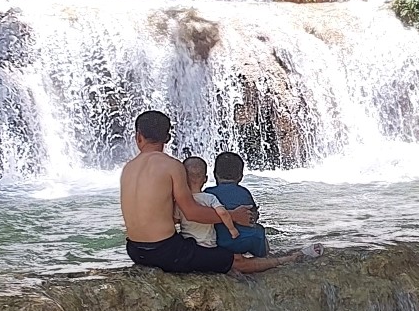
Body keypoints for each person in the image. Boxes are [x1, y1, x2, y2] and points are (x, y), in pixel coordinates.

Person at [121, 111, 300, 276]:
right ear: (167, 138)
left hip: (135, 251)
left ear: (138, 136)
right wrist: (233, 216)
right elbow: (192, 213)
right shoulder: (172, 166)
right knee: (234, 260)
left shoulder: (128, 168)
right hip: (165, 253)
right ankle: (286, 260)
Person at [206, 151, 268, 257]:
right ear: (240, 176)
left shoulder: (208, 192)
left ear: (215, 173)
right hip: (243, 240)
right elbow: (252, 217)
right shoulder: (244, 192)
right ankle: (263, 257)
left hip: (217, 241)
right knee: (259, 231)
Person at [178, 157, 238, 247]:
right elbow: (222, 213)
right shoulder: (210, 198)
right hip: (208, 244)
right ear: (205, 179)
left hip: (188, 242)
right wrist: (232, 229)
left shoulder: (181, 200)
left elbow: (175, 219)